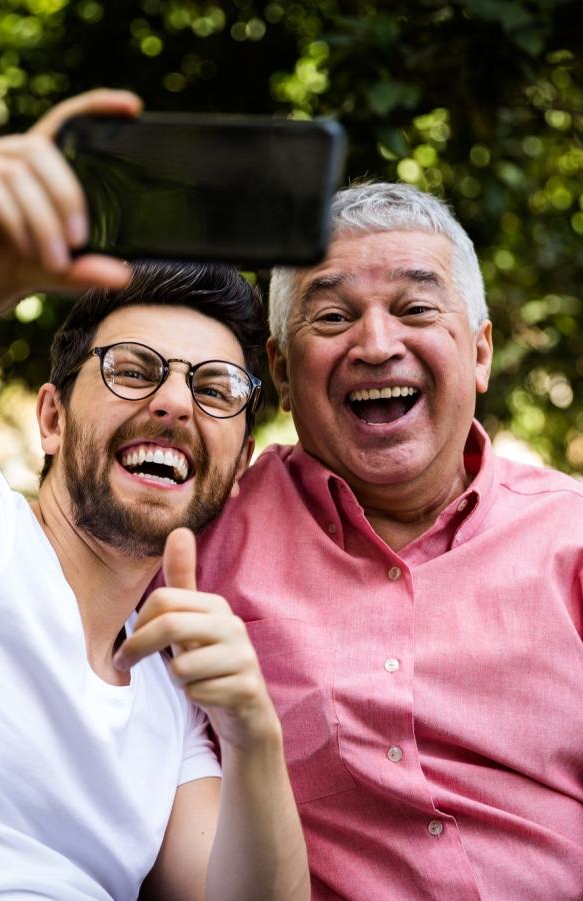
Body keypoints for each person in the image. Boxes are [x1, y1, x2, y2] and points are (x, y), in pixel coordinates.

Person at [196, 181, 583, 899]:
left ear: (480, 352)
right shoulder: (207, 537)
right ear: (281, 371)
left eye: (415, 309)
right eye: (334, 315)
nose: (376, 344)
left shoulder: (572, 537)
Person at [0, 90, 309, 900]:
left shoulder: (171, 700)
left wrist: (254, 732)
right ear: (53, 418)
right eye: (133, 368)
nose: (173, 402)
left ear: (235, 468)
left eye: (215, 385)